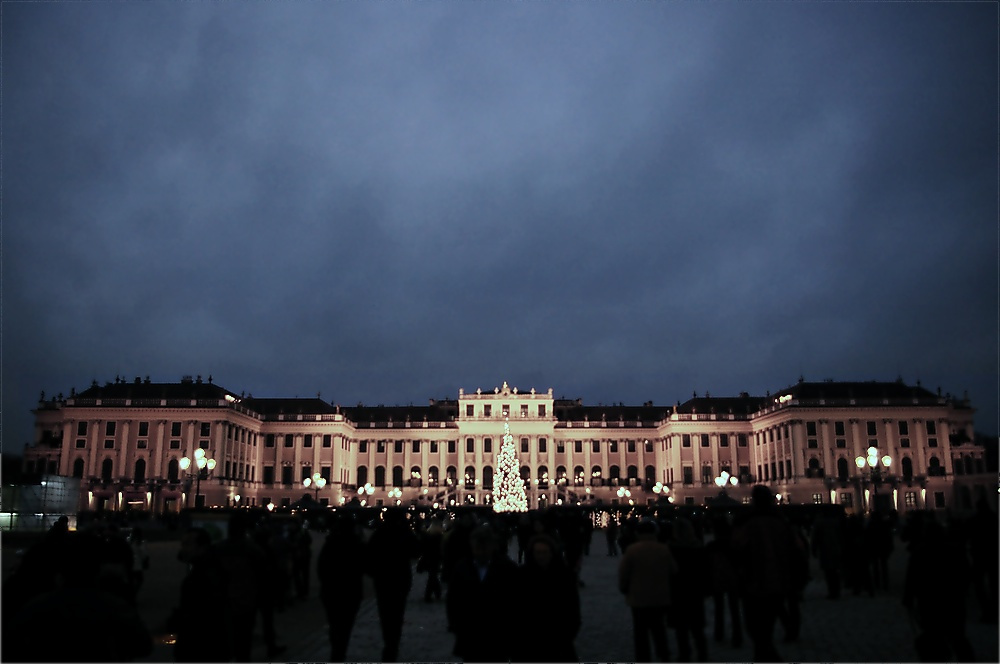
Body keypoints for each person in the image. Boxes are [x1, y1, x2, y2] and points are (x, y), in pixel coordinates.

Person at [5, 530, 153, 662]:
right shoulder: (114, 606)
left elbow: (11, 643)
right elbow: (143, 645)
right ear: (98, 572)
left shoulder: (37, 606)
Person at [731, 485, 801, 662]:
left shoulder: (747, 523)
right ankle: (766, 650)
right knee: (768, 620)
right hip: (778, 579)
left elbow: (737, 550)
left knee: (754, 623)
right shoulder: (781, 522)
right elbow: (795, 550)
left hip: (753, 581)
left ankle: (764, 652)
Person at [903, 517, 976, 662]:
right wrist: (962, 590)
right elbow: (966, 574)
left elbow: (911, 579)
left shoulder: (919, 553)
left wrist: (908, 598)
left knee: (933, 634)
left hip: (929, 602)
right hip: (953, 601)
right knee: (957, 635)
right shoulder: (954, 551)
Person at [446, 522, 521, 662]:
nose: (480, 552)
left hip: (498, 634)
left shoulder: (507, 568)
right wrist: (457, 625)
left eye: (484, 548)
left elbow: (516, 602)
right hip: (470, 633)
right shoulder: (462, 567)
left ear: (493, 546)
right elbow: (453, 600)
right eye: (477, 548)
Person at [619, 517, 678, 662]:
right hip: (660, 597)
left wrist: (625, 589)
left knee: (640, 632)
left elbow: (624, 574)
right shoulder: (663, 549)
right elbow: (674, 571)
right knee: (659, 629)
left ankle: (643, 658)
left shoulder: (632, 550)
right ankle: (663, 654)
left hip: (638, 598)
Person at [513, 533, 580, 662]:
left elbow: (573, 610)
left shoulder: (564, 576)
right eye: (538, 552)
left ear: (552, 553)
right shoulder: (521, 576)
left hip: (559, 643)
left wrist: (566, 636)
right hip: (528, 644)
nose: (541, 556)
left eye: (544, 552)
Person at [365, 508, 420, 662]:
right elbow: (416, 551)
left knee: (385, 613)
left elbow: (368, 557)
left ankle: (388, 642)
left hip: (383, 580)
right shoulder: (405, 532)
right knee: (397, 613)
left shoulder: (379, 533)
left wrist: (375, 573)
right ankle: (393, 643)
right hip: (401, 578)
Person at [169, 528, 230, 662]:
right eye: (183, 544)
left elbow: (198, 613)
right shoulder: (209, 568)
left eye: (188, 544)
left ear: (202, 547)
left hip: (201, 646)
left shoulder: (205, 575)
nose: (184, 549)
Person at [318, 514, 366, 662]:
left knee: (334, 623)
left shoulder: (331, 543)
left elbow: (321, 567)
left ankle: (336, 651)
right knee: (346, 624)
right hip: (351, 590)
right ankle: (340, 651)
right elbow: (366, 566)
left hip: (331, 590)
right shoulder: (357, 544)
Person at [669, 517, 709, 662]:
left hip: (678, 591)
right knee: (697, 627)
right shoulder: (698, 548)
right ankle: (702, 654)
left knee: (681, 628)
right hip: (695, 590)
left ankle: (684, 654)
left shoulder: (672, 548)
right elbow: (705, 571)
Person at [419, 516, 445, 602]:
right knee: (433, 576)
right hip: (435, 558)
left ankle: (433, 594)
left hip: (430, 557)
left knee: (432, 576)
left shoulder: (428, 534)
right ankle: (432, 594)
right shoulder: (439, 536)